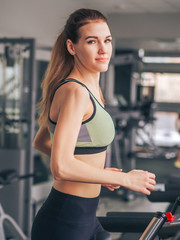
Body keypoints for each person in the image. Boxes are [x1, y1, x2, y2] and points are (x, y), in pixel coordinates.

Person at [31, 8, 156, 240]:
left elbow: (42, 140)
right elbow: (61, 167)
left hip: (86, 217)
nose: (103, 49)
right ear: (72, 47)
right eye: (92, 41)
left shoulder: (92, 90)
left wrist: (96, 173)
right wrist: (124, 178)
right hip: (65, 221)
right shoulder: (75, 92)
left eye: (107, 40)